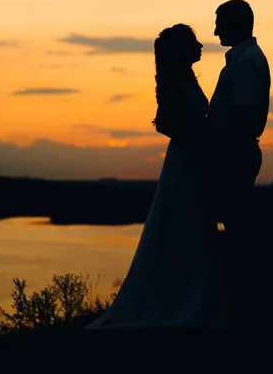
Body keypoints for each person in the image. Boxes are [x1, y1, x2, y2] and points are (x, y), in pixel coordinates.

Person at [85, 24, 227, 330]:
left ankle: (193, 294)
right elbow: (164, 122)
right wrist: (195, 139)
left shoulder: (186, 77)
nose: (201, 46)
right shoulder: (175, 80)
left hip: (194, 159)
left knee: (194, 224)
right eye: (193, 42)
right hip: (185, 159)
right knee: (179, 221)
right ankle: (175, 300)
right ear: (181, 49)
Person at [206, 0, 271, 322]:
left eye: (220, 22)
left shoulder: (246, 62)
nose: (215, 29)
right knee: (235, 225)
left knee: (237, 228)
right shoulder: (241, 59)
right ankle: (241, 301)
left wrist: (213, 142)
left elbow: (245, 115)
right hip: (233, 152)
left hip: (234, 155)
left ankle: (243, 304)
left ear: (236, 23)